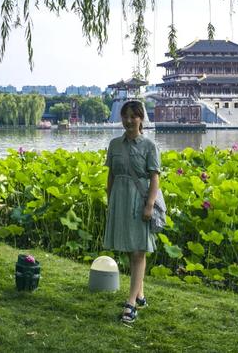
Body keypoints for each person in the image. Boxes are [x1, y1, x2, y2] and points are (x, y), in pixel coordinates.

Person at [103, 100, 161, 323]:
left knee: (138, 251)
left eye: (133, 116)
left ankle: (130, 303)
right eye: (125, 116)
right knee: (130, 248)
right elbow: (111, 176)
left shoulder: (149, 146)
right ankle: (141, 294)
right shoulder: (114, 144)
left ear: (141, 119)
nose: (128, 121)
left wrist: (149, 205)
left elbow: (154, 177)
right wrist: (111, 200)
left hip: (139, 201)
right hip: (120, 198)